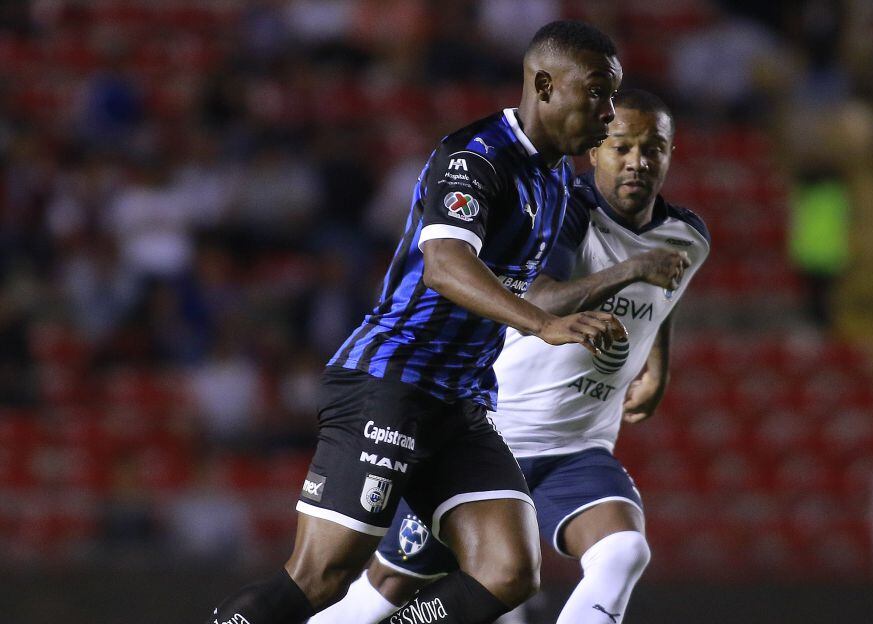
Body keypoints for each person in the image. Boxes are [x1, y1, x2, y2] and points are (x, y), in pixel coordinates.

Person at [206, 20, 624, 624]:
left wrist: (590, 299)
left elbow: (515, 284)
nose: (609, 111)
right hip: (392, 378)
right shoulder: (477, 156)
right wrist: (540, 325)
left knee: (509, 570)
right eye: (597, 92)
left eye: (614, 96)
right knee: (322, 577)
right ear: (544, 83)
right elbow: (446, 267)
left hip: (458, 401)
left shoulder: (557, 177)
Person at [311, 89, 710, 624]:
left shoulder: (686, 236)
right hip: (490, 436)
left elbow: (666, 291)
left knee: (623, 551)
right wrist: (629, 270)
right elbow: (538, 297)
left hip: (578, 445)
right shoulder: (565, 210)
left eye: (653, 148)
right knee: (388, 589)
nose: (638, 161)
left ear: (670, 153)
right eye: (622, 147)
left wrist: (657, 366)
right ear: (595, 152)